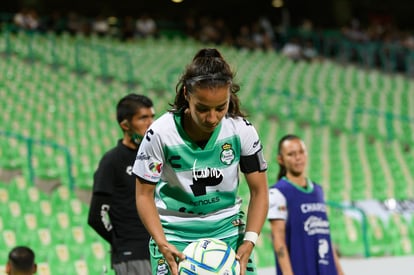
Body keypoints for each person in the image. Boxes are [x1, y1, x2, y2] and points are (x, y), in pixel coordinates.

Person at [132, 48, 269, 275]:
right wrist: (162, 243)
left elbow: (260, 191)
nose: (212, 118)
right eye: (203, 109)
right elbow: (143, 195)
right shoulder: (160, 133)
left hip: (228, 231)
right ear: (187, 94)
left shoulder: (242, 131)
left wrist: (250, 240)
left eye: (221, 107)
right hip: (175, 235)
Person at [87, 93, 155, 275]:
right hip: (132, 256)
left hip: (160, 251)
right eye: (143, 118)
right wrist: (121, 241)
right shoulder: (112, 161)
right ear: (125, 125)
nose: (150, 123)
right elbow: (96, 217)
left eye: (152, 117)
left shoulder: (154, 156)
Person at [267, 134, 344, 275]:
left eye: (301, 152)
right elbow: (278, 239)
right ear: (281, 159)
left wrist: (340, 271)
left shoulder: (318, 190)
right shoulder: (277, 193)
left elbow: (325, 235)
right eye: (291, 154)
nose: (298, 157)